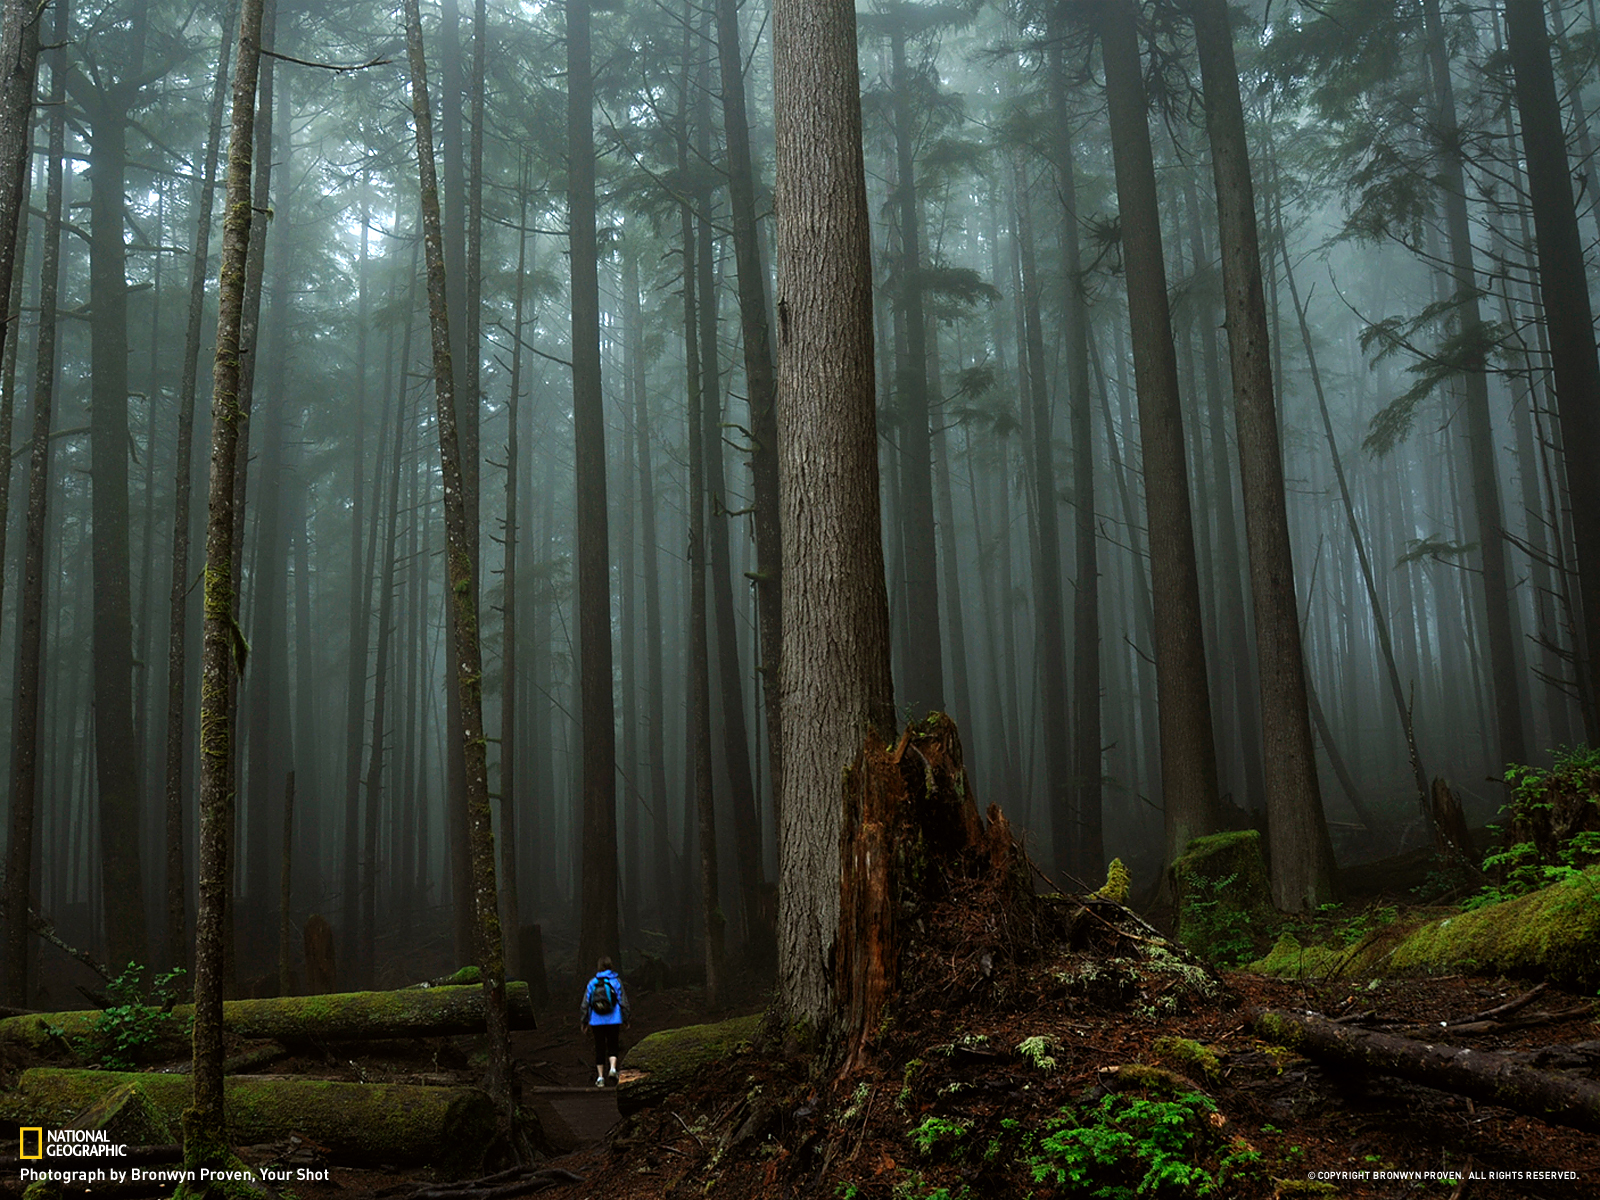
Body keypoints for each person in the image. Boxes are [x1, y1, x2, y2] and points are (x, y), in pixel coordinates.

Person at [580, 955, 630, 1087]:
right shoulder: (616, 982)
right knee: (613, 1044)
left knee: (599, 1047)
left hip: (596, 1021)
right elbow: (623, 1001)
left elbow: (585, 1003)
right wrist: (625, 1018)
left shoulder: (592, 983)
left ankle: (600, 1077)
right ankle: (613, 1068)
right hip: (614, 1019)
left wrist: (584, 1021)